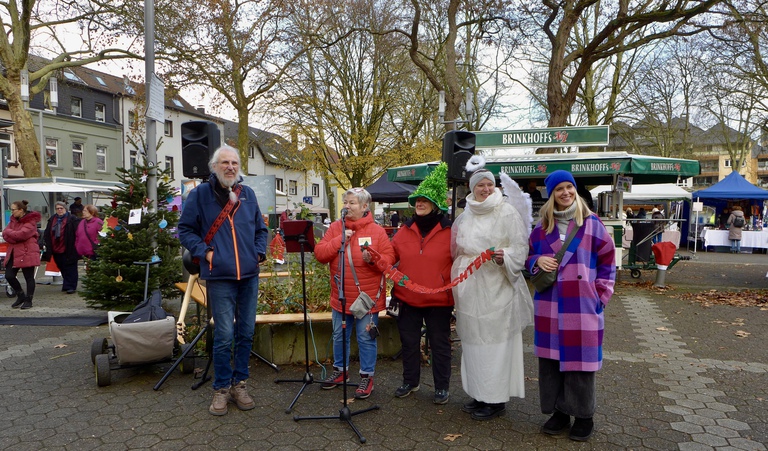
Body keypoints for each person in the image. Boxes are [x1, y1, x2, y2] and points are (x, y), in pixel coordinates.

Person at [178, 145, 269, 416]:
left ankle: (239, 384)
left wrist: (259, 252)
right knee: (224, 335)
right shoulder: (200, 195)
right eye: (224, 162)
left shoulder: (248, 194)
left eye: (234, 163)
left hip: (249, 276)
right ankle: (220, 388)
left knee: (246, 332)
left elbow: (261, 229)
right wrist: (204, 252)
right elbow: (185, 229)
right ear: (214, 166)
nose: (230, 167)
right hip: (219, 276)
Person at [526, 170, 616, 442]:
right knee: (552, 363)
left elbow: (608, 263)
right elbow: (528, 258)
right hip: (550, 305)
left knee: (580, 365)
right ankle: (559, 412)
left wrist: (599, 297)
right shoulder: (541, 229)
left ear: (575, 190)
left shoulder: (592, 224)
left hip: (582, 305)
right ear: (550, 195)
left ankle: (583, 415)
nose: (565, 193)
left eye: (569, 187)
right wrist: (537, 261)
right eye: (558, 189)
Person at [451, 168, 533, 421]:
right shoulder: (465, 215)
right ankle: (479, 393)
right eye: (480, 185)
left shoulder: (506, 211)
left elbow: (520, 246)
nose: (485, 189)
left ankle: (495, 399)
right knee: (474, 342)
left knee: (495, 344)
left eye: (489, 184)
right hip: (471, 286)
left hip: (497, 285)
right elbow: (458, 248)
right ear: (471, 188)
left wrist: (503, 257)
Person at [314, 187, 394, 399]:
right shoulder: (334, 228)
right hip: (340, 296)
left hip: (365, 300)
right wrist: (338, 240)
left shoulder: (376, 231)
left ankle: (367, 377)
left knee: (366, 338)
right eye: (345, 202)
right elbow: (320, 254)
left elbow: (389, 260)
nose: (347, 207)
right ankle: (340, 372)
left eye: (352, 203)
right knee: (339, 335)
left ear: (365, 206)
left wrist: (374, 260)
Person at [390, 162, 454, 404]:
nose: (419, 203)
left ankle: (442, 387)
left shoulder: (450, 231)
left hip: (438, 300)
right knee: (408, 342)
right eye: (417, 200)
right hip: (407, 298)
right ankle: (410, 381)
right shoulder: (404, 230)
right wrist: (377, 257)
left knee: (439, 344)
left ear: (436, 204)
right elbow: (390, 255)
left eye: (424, 200)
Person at [2, 201, 41, 309]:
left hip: (27, 251)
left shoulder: (30, 222)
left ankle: (29, 300)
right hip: (14, 251)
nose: (12, 212)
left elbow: (21, 235)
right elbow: (6, 234)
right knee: (9, 275)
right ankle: (21, 295)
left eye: (14, 209)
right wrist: (12, 234)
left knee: (28, 277)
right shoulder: (13, 220)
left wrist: (11, 233)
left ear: (21, 210)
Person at [43, 201, 80, 294]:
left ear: (65, 209)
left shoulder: (72, 219)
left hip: (69, 247)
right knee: (61, 266)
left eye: (61, 208)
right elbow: (48, 232)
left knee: (71, 267)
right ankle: (66, 284)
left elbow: (77, 233)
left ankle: (71, 286)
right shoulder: (52, 219)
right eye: (57, 208)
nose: (59, 210)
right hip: (56, 247)